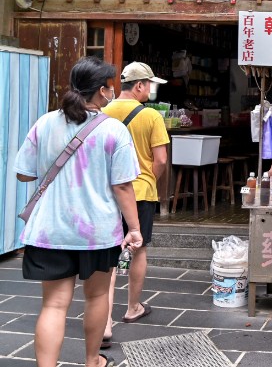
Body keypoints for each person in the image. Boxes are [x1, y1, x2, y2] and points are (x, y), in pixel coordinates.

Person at [14, 56, 142, 367]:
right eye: (109, 87)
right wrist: (135, 228)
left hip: (50, 230)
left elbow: (23, 173)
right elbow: (123, 187)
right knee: (97, 298)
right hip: (96, 232)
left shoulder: (45, 123)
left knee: (54, 306)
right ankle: (91, 361)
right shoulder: (113, 131)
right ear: (101, 91)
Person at [102, 62, 169, 340]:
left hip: (106, 193)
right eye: (150, 85)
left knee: (107, 256)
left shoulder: (102, 113)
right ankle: (132, 308)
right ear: (139, 86)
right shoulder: (151, 116)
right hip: (139, 193)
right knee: (137, 249)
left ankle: (104, 323)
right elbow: (161, 159)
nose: (151, 90)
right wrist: (147, 180)